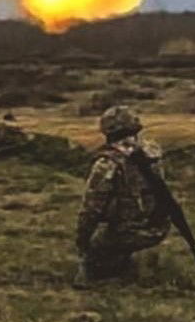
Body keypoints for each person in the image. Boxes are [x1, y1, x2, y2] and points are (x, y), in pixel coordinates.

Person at [74, 105, 172, 287]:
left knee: (95, 253)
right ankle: (137, 259)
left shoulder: (107, 163)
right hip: (159, 227)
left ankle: (114, 273)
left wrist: (83, 242)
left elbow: (91, 210)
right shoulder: (153, 152)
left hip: (127, 231)